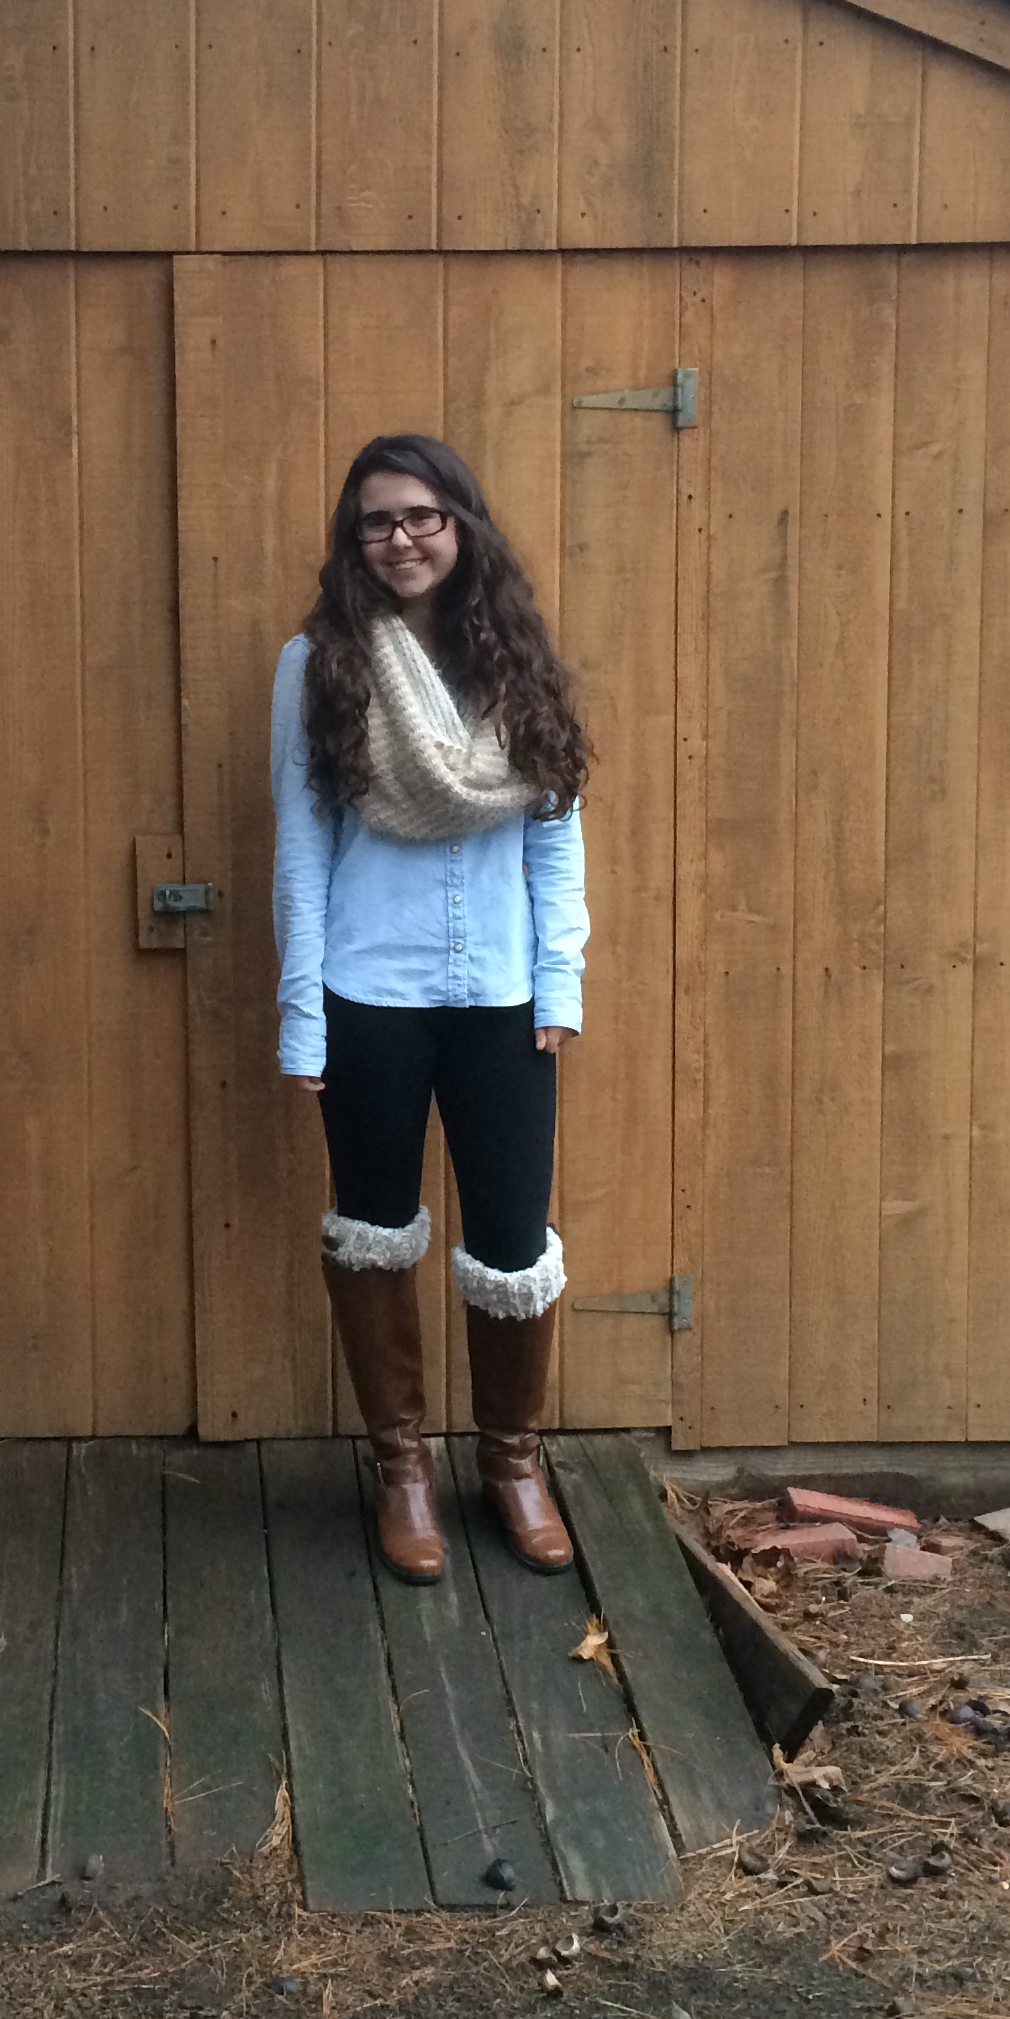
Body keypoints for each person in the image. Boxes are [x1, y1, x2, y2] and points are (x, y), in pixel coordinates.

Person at [270, 434, 590, 1587]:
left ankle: (512, 1464)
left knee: (512, 1239)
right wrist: (302, 1015)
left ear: (461, 524)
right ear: (354, 539)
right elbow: (301, 848)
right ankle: (402, 1469)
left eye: (421, 516)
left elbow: (555, 840)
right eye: (376, 521)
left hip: (503, 998)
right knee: (372, 1226)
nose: (400, 539)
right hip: (371, 994)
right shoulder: (320, 662)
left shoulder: (514, 658)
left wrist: (561, 982)